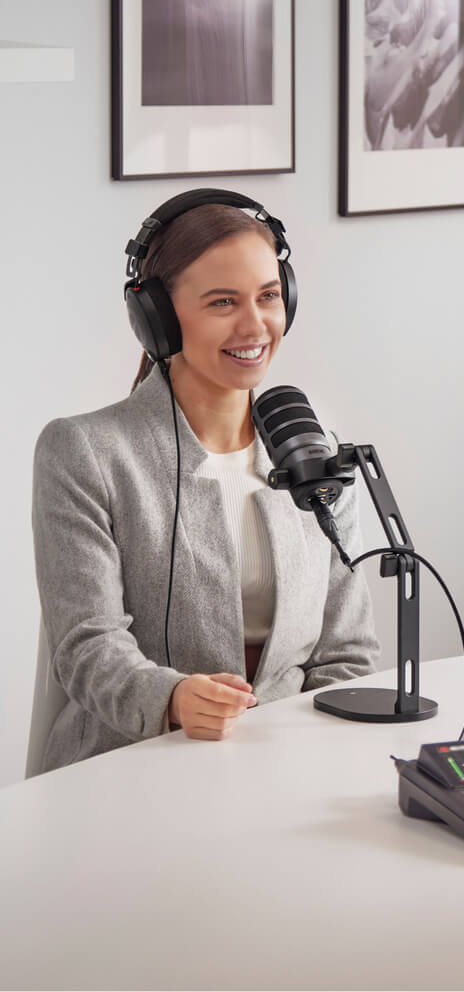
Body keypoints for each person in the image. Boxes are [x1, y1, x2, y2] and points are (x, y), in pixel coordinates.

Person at [31, 194, 378, 773]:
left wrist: (317, 761)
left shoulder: (313, 451)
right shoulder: (83, 451)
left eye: (269, 296)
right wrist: (170, 699)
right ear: (158, 320)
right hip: (130, 768)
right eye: (223, 302)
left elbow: (347, 650)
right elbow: (87, 644)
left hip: (289, 766)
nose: (255, 326)